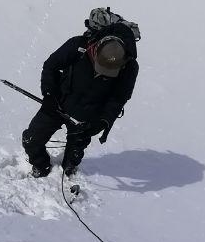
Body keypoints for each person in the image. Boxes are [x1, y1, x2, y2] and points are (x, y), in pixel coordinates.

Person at [22, 15, 138, 177]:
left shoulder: (130, 67)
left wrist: (103, 121)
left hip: (88, 114)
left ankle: (67, 170)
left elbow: (119, 97)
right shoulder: (78, 45)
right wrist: (49, 95)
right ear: (96, 48)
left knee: (72, 159)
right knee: (31, 140)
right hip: (58, 102)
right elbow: (51, 66)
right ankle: (41, 166)